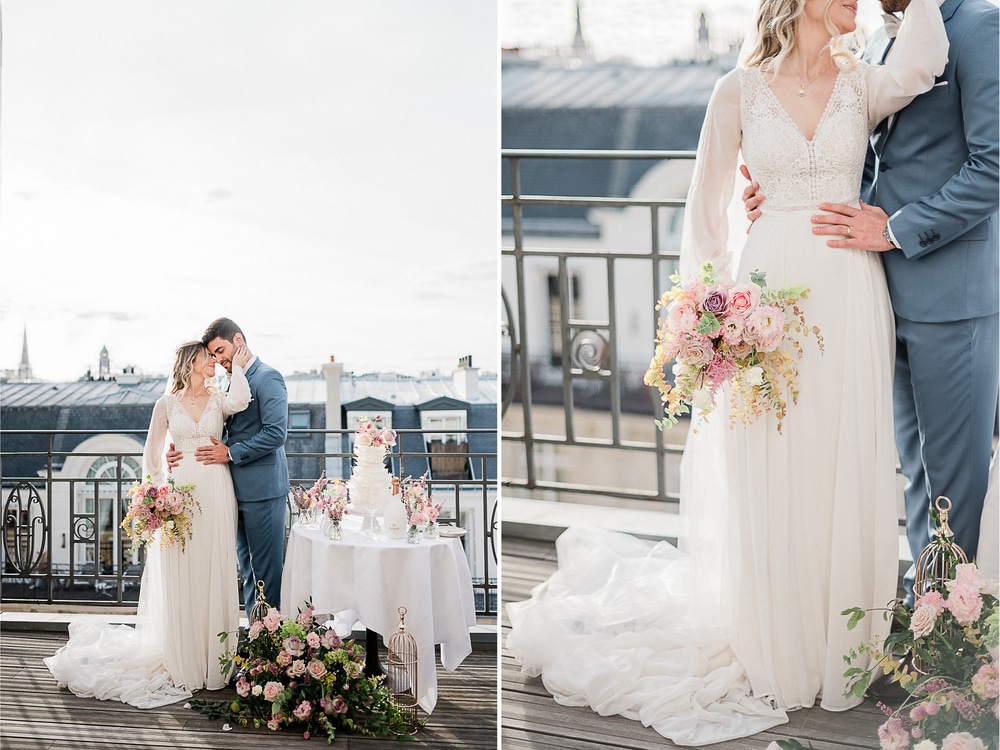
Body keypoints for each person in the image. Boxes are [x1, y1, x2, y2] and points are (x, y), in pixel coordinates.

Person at [505, 0, 948, 745]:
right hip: (767, 298)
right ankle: (777, 640)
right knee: (770, 463)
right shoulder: (734, 92)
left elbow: (923, 61)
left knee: (846, 459)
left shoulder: (863, 80)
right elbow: (706, 213)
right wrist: (709, 319)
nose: (861, 3)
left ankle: (842, 646)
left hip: (849, 294)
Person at [746, 0, 999, 603]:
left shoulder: (979, 26)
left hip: (951, 298)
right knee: (916, 472)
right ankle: (921, 612)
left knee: (953, 483)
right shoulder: (876, 44)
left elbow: (993, 166)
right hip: (877, 295)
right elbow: (860, 164)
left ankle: (945, 640)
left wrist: (896, 230)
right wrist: (779, 190)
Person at [45, 341, 251, 707]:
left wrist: (237, 364)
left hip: (218, 490)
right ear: (192, 362)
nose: (214, 362)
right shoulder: (166, 404)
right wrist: (161, 490)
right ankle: (185, 659)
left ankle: (213, 662)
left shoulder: (221, 398)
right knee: (183, 571)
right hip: (182, 496)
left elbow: (243, 399)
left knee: (213, 569)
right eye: (209, 357)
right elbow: (150, 454)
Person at [169, 317, 290, 614]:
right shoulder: (227, 382)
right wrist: (179, 451)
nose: (218, 359)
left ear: (238, 341)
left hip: (262, 492)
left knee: (267, 573)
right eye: (213, 355)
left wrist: (231, 454)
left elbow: (276, 433)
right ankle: (255, 639)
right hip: (231, 492)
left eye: (221, 351)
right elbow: (214, 431)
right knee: (248, 571)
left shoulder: (267, 377)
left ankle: (270, 648)